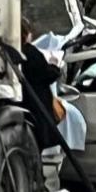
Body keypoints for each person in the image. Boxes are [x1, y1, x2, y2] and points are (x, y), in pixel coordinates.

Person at [20, 18, 63, 151]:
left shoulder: (14, 53)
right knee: (35, 146)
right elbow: (45, 75)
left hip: (24, 104)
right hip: (37, 106)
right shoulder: (30, 52)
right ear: (26, 33)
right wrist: (54, 65)